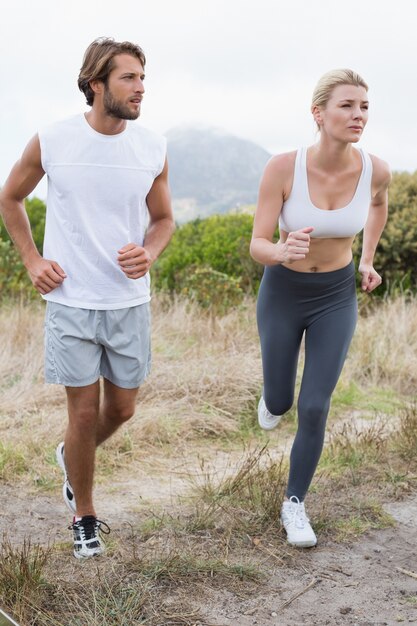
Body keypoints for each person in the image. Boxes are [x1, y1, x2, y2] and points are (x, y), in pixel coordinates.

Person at [0, 37, 175, 559]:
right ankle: (85, 515)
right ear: (96, 84)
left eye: (143, 78)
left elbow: (164, 219)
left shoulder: (152, 146)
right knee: (82, 414)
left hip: (128, 302)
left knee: (120, 410)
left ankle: (69, 457)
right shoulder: (52, 140)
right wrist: (32, 260)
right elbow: (10, 198)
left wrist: (150, 252)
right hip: (72, 301)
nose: (140, 88)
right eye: (128, 78)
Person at [250, 69, 390, 548]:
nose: (358, 116)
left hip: (336, 296)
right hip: (283, 292)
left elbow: (378, 206)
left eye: (364, 107)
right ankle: (270, 401)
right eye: (347, 106)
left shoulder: (375, 169)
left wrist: (366, 259)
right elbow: (257, 244)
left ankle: (294, 505)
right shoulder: (283, 168)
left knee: (314, 406)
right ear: (319, 114)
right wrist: (280, 252)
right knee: (282, 401)